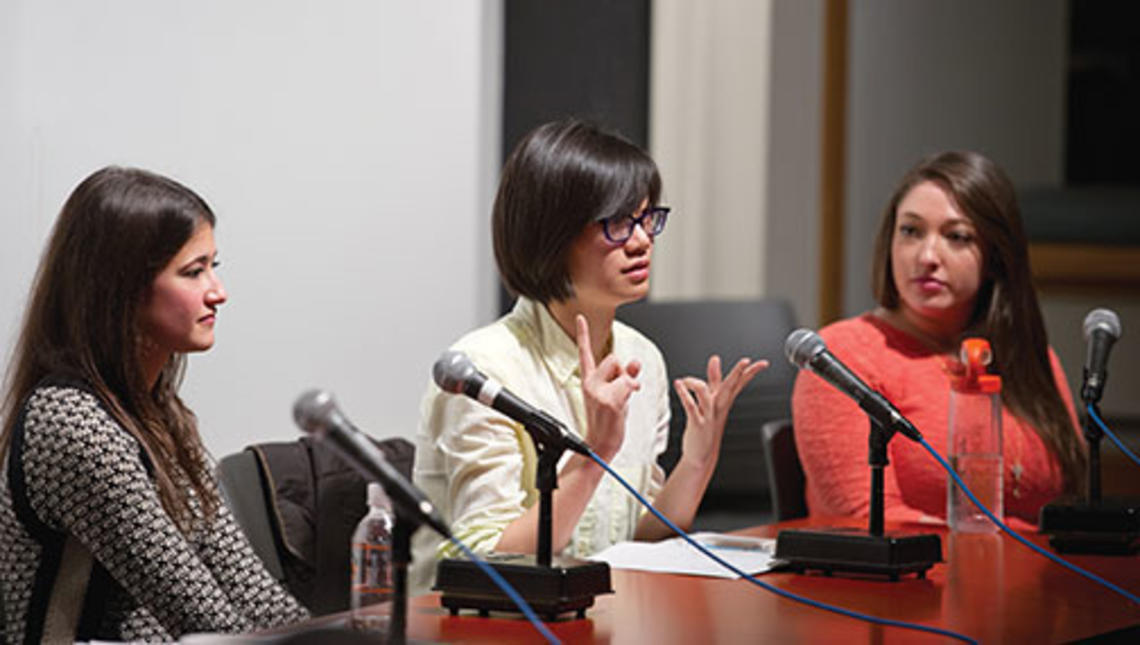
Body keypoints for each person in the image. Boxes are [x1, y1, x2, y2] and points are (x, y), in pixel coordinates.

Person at [410, 120, 768, 591]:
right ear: (551, 235)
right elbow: (488, 560)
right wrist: (595, 454)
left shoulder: (643, 358)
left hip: (588, 614)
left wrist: (698, 459)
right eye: (619, 224)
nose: (642, 241)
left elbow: (637, 541)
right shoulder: (483, 370)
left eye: (647, 220)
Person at [0, 167, 309, 642]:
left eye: (214, 267)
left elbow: (250, 591)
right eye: (193, 272)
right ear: (121, 290)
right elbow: (201, 617)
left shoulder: (156, 412)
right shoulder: (71, 423)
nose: (217, 292)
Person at [792, 151, 1085, 529]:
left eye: (956, 237)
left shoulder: (1028, 355)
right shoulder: (843, 357)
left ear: (996, 256)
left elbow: (1071, 502)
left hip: (1039, 585)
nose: (927, 256)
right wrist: (1023, 542)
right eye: (911, 231)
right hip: (903, 586)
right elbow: (863, 518)